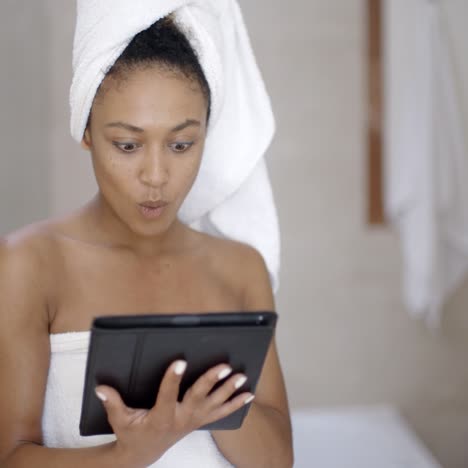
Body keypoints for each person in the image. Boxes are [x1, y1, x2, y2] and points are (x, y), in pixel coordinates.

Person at [0, 11, 293, 468]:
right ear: (87, 133)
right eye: (127, 145)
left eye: (181, 145)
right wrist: (128, 453)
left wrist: (208, 403)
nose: (156, 177)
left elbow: (278, 460)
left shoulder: (238, 268)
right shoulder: (30, 265)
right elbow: (10, 456)